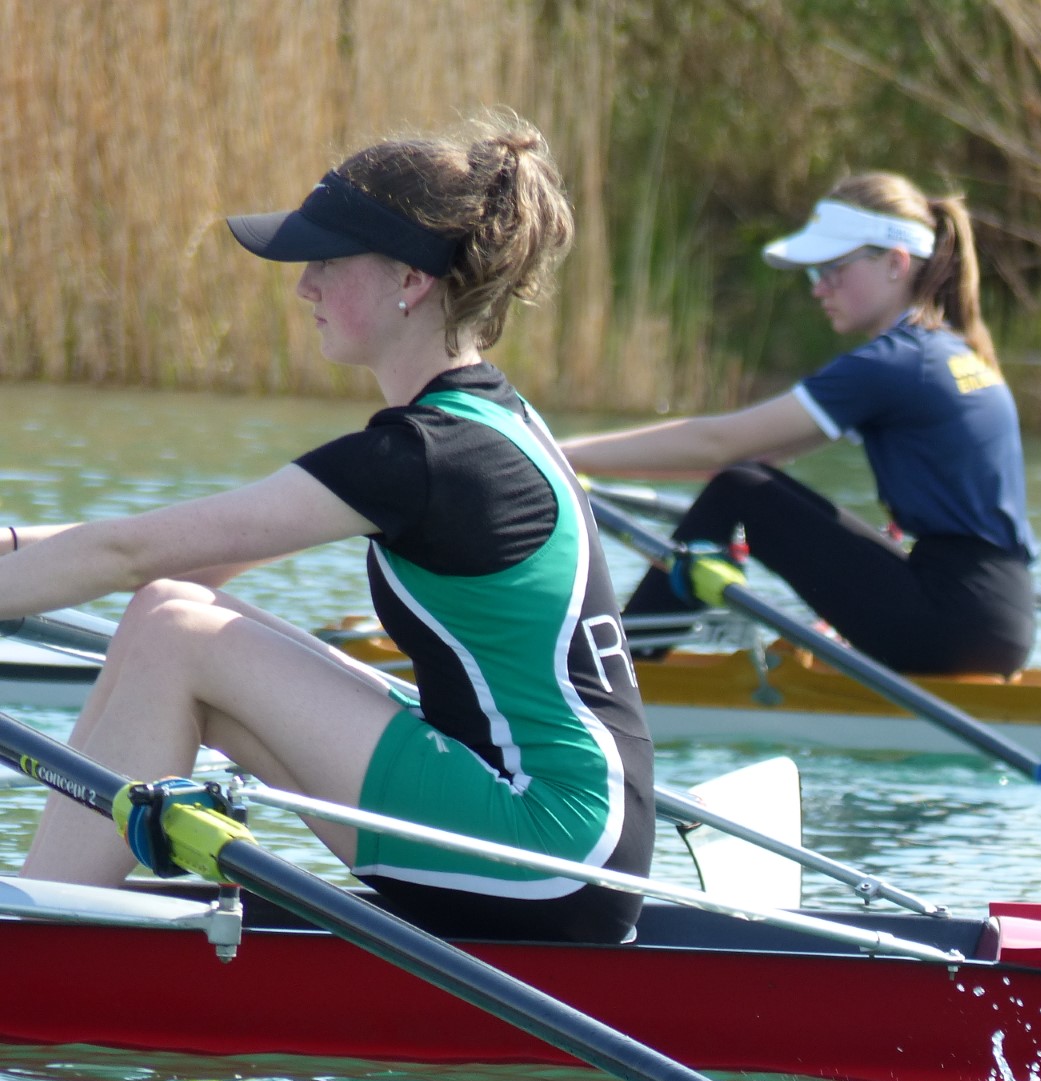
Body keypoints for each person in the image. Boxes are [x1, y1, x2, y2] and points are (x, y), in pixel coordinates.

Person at [5, 111, 653, 943]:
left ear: (410, 279)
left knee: (175, 636)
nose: (303, 287)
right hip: (570, 832)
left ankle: (39, 945)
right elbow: (174, 559)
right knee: (170, 610)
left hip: (551, 849)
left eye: (327, 261)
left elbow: (128, 550)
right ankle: (45, 913)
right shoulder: (485, 419)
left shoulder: (430, 457)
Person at [562, 172, 1038, 676]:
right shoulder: (949, 351)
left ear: (896, 264)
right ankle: (634, 661)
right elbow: (753, 453)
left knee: (739, 488)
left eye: (835, 268)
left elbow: (718, 444)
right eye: (815, 273)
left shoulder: (893, 364)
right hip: (998, 617)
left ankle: (616, 675)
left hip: (949, 620)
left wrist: (555, 454)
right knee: (745, 482)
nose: (820, 288)